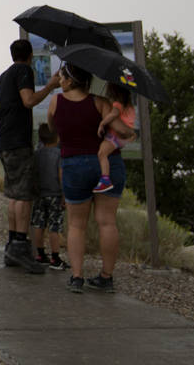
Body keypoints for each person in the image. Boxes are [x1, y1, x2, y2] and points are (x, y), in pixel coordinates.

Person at [48, 61, 131, 294]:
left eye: (62, 76)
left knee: (76, 225)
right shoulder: (99, 102)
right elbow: (123, 130)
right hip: (107, 164)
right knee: (107, 222)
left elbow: (53, 127)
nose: (60, 79)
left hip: (74, 165)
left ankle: (76, 277)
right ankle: (106, 277)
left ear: (71, 79)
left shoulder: (56, 102)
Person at [0, 39, 60, 274]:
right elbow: (28, 100)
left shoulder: (2, 78)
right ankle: (21, 246)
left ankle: (12, 244)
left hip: (3, 141)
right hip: (18, 141)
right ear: (30, 55)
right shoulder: (24, 71)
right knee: (23, 195)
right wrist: (51, 86)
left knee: (14, 194)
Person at [31, 123, 68, 269]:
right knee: (54, 226)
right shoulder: (59, 154)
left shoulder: (37, 154)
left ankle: (39, 254)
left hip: (40, 194)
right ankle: (55, 257)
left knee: (39, 224)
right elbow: (61, 175)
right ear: (57, 137)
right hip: (55, 195)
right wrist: (64, 195)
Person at [94, 84, 137, 193]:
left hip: (114, 136)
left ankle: (105, 180)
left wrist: (102, 123)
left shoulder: (117, 104)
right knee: (104, 153)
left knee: (102, 154)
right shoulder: (129, 106)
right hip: (122, 139)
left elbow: (113, 115)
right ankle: (105, 179)